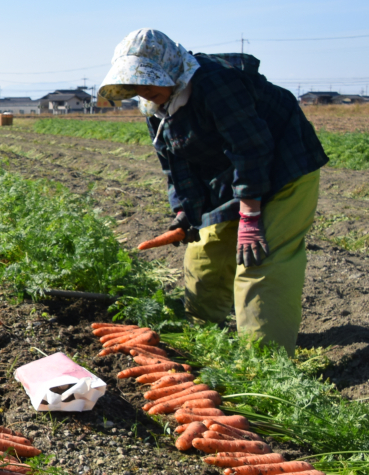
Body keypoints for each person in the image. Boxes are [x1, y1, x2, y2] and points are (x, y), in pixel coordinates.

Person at [98, 28, 328, 353]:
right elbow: (175, 165)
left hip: (284, 164)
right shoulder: (155, 108)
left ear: (171, 69)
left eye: (149, 80)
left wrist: (250, 217)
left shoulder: (215, 82)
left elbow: (251, 147)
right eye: (137, 84)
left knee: (261, 259)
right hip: (233, 173)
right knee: (205, 251)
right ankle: (205, 338)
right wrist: (185, 214)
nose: (144, 91)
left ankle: (265, 364)